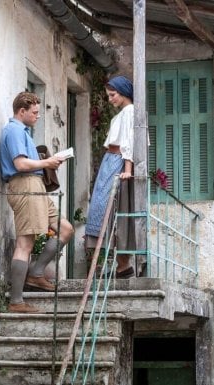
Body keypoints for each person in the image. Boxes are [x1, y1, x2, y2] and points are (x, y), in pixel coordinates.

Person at [0, 91, 74, 313]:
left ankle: (36, 273)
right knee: (25, 243)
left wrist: (47, 163)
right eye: (34, 112)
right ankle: (16, 301)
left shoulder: (23, 132)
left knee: (66, 229)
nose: (38, 116)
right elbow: (20, 164)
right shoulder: (13, 131)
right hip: (25, 185)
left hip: (36, 186)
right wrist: (47, 162)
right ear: (22, 111)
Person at [84, 76, 136, 279]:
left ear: (123, 93)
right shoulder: (122, 114)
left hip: (116, 161)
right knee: (103, 208)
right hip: (110, 161)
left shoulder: (130, 112)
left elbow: (129, 141)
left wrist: (128, 168)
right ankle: (122, 266)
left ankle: (123, 266)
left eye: (113, 95)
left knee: (109, 208)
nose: (110, 99)